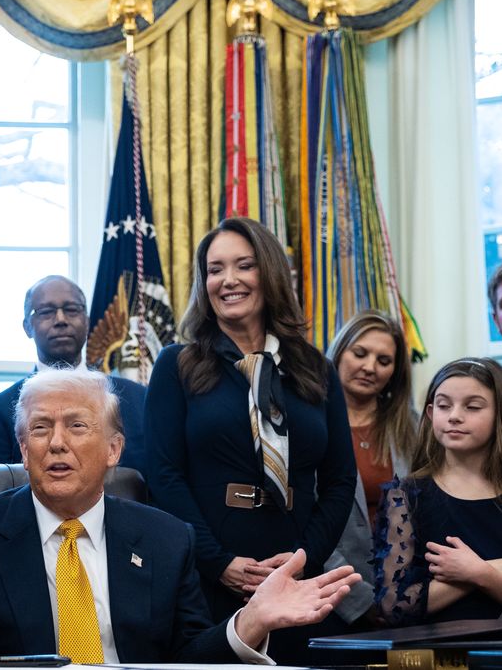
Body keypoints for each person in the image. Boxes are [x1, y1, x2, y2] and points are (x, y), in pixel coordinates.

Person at [0, 368, 361, 665]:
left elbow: (185, 659)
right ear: (22, 447)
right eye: (40, 429)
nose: (56, 442)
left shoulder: (166, 537)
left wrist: (250, 622)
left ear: (113, 449)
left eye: (77, 426)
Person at [144, 217, 356, 663]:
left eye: (244, 265)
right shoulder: (176, 365)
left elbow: (338, 481)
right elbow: (163, 476)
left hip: (298, 575)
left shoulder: (316, 369)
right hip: (206, 576)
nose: (229, 280)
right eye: (215, 269)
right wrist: (218, 563)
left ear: (270, 273)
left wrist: (304, 558)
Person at [374, 358, 502, 626]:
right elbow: (396, 607)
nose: (455, 415)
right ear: (432, 413)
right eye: (444, 405)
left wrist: (479, 572)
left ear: (500, 415)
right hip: (435, 654)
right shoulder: (405, 495)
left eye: (472, 407)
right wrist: (498, 568)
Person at [0, 275, 147, 471]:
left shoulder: (137, 398)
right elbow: (0, 491)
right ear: (27, 326)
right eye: (46, 311)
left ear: (87, 322)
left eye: (71, 309)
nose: (61, 319)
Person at [324, 310, 417, 629]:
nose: (369, 367)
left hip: (409, 599)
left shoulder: (413, 428)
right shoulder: (311, 425)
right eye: (359, 353)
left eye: (383, 360)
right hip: (333, 602)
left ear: (395, 371)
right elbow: (305, 525)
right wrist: (359, 599)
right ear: (338, 353)